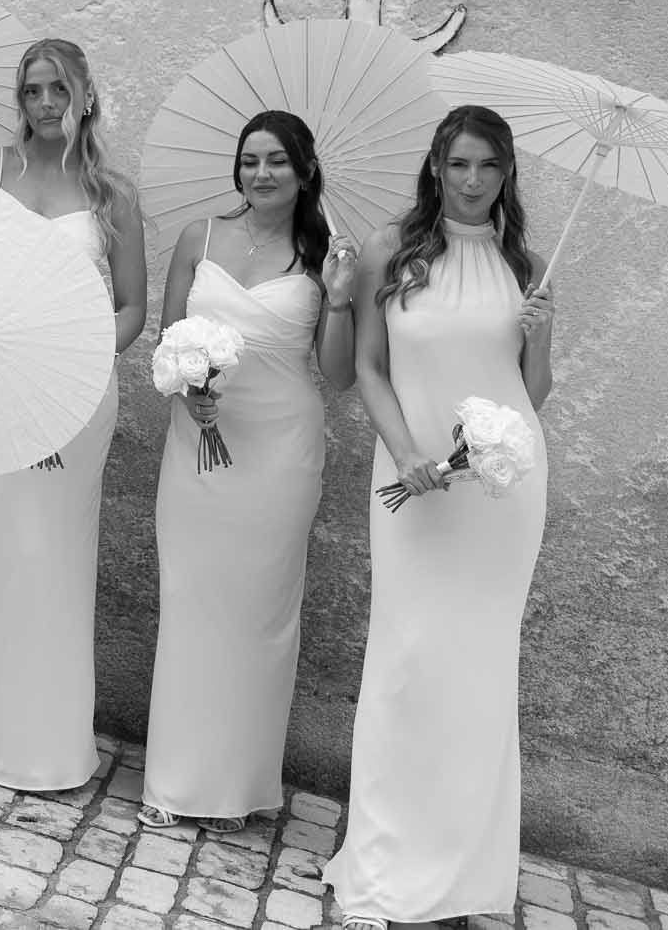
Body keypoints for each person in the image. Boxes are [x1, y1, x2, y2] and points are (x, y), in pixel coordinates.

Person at [323, 105, 556, 930]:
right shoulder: (394, 249)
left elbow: (531, 398)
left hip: (501, 499)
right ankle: (383, 875)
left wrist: (540, 335)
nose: (470, 180)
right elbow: (367, 366)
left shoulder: (524, 263)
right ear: (435, 165)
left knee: (479, 676)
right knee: (406, 663)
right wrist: (406, 452)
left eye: (488, 166)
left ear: (505, 174)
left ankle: (462, 873)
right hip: (413, 486)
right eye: (458, 163)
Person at [140, 110, 358, 832]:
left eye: (278, 161)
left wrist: (342, 299)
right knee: (193, 601)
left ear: (304, 172)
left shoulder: (324, 252)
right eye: (250, 159)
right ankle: (175, 780)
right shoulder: (198, 238)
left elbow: (336, 374)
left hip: (281, 451)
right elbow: (166, 341)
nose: (261, 173)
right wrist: (190, 388)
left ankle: (235, 786)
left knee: (261, 614)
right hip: (197, 446)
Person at [0, 37, 146, 792]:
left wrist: (75, 365)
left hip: (74, 392)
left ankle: (54, 742)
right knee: (5, 551)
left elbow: (131, 306)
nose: (44, 104)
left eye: (58, 89)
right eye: (32, 91)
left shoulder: (112, 193)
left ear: (86, 94)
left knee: (58, 554)